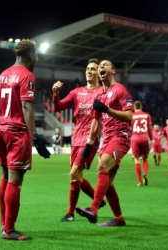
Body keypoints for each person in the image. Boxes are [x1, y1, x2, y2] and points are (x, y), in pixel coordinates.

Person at [0, 38, 51, 241]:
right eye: (37, 56)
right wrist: (35, 137)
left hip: (0, 129)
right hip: (17, 132)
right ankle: (9, 230)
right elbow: (26, 108)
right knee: (15, 181)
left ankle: (4, 223)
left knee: (4, 177)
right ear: (30, 55)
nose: (38, 59)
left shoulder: (0, 77)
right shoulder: (27, 76)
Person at [75, 59, 133, 227]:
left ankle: (94, 208)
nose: (101, 68)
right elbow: (96, 121)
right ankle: (119, 218)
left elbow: (129, 116)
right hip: (106, 139)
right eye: (99, 66)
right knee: (107, 184)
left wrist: (107, 109)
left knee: (101, 168)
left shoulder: (120, 90)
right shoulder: (99, 95)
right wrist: (89, 143)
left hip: (120, 136)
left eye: (104, 65)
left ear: (113, 71)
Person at [52, 59, 106, 222]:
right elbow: (59, 107)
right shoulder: (76, 92)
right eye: (88, 69)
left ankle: (70, 213)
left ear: (98, 73)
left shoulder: (103, 92)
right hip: (76, 138)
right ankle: (98, 200)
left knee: (74, 173)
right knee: (77, 176)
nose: (89, 71)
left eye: (93, 69)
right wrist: (55, 94)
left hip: (90, 138)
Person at [131, 101, 153, 186]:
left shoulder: (131, 116)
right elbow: (150, 128)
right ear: (141, 106)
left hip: (135, 138)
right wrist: (151, 139)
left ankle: (140, 181)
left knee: (136, 160)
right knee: (144, 159)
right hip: (144, 138)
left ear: (133, 107)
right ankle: (145, 174)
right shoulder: (147, 115)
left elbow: (128, 128)